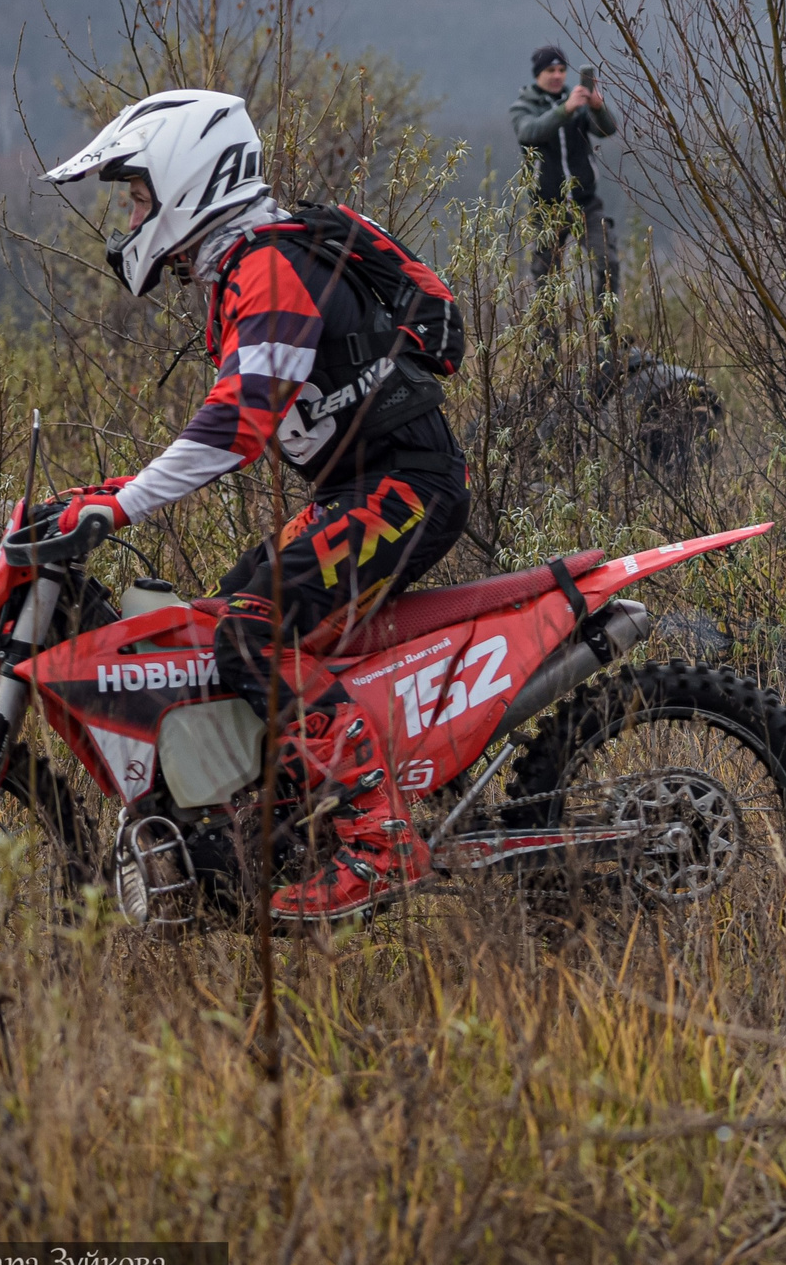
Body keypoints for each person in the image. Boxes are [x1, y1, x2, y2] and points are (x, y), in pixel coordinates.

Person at [42, 90, 471, 922]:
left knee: (248, 633)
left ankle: (382, 845)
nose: (132, 217)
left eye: (138, 195)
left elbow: (237, 424)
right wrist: (102, 496)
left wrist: (120, 503)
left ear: (185, 183)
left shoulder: (269, 265)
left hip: (402, 484)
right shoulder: (243, 264)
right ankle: (274, 824)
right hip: (363, 486)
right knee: (217, 625)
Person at [511, 44, 621, 300]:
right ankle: (546, 340)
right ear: (538, 73)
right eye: (551, 70)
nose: (558, 75)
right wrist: (565, 110)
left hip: (587, 203)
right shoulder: (523, 107)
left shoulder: (579, 102)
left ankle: (606, 336)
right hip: (546, 207)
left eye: (562, 69)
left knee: (608, 263)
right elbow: (529, 132)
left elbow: (607, 130)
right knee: (546, 278)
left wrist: (596, 107)